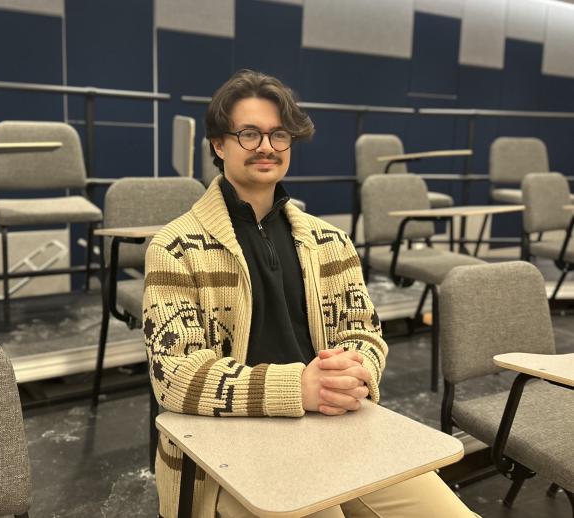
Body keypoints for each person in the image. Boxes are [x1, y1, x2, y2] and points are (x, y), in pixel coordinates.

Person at [142, 70, 475, 518]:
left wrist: (352, 370)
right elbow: (175, 377)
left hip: (333, 426)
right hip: (232, 446)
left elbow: (366, 334)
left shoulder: (330, 240)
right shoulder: (174, 247)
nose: (266, 146)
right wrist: (296, 388)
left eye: (279, 135)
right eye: (248, 134)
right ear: (219, 146)